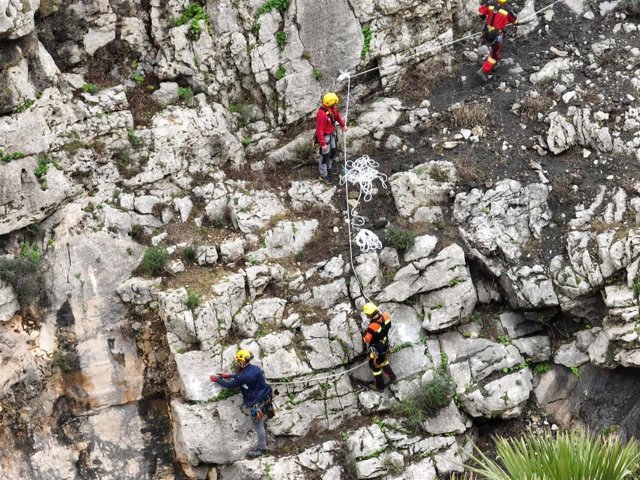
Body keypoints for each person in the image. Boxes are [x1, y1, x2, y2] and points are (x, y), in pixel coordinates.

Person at [210, 349, 274, 458]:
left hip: (256, 404)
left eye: (238, 361)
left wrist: (217, 379)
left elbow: (230, 385)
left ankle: (262, 449)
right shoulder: (255, 368)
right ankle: (269, 414)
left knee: (258, 425)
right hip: (267, 396)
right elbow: (242, 376)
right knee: (265, 412)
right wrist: (229, 375)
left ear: (242, 361)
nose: (237, 363)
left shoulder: (243, 376)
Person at [478, 0, 518, 82]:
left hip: (487, 32)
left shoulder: (491, 4)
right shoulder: (507, 10)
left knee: (494, 49)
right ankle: (483, 71)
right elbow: (515, 21)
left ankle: (495, 64)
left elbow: (481, 12)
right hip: (496, 35)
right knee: (494, 55)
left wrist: (484, 18)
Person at [361, 303, 397, 391]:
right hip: (385, 344)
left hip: (376, 348)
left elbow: (366, 340)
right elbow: (388, 326)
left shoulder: (372, 327)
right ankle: (393, 377)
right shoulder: (386, 317)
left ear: (369, 314)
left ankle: (380, 386)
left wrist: (365, 331)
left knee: (375, 366)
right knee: (383, 361)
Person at [315, 92, 347, 184]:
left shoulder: (332, 109)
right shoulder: (321, 114)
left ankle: (329, 168)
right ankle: (323, 174)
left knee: (332, 150)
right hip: (325, 136)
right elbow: (319, 130)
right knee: (324, 155)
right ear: (329, 103)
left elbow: (337, 117)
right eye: (334, 104)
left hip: (331, 133)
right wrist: (323, 143)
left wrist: (343, 125)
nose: (335, 105)